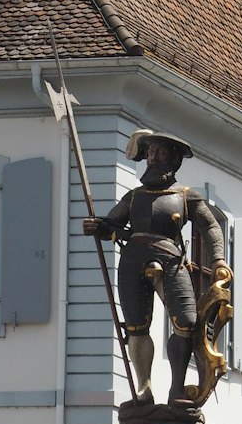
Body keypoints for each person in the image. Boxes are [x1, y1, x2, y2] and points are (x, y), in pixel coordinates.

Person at [83, 130, 229, 405]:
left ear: (173, 160)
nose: (152, 159)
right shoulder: (134, 196)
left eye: (159, 153)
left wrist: (218, 259)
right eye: (150, 153)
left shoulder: (186, 196)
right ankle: (144, 387)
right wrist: (98, 226)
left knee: (186, 322)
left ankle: (176, 388)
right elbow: (112, 224)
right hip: (133, 259)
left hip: (170, 260)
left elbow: (210, 226)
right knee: (137, 327)